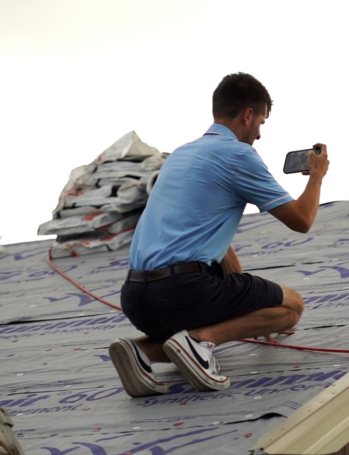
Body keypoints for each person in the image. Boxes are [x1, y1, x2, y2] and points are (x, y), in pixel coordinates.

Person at [108, 72, 330, 397]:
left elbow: (215, 244)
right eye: (261, 123)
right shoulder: (239, 155)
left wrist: (247, 312)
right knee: (292, 306)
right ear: (248, 115)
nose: (258, 134)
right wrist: (316, 176)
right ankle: (199, 344)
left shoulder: (180, 156)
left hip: (135, 298)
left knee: (190, 315)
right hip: (184, 292)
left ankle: (140, 350)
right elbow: (301, 220)